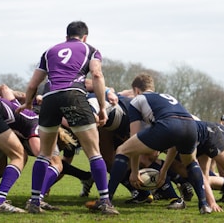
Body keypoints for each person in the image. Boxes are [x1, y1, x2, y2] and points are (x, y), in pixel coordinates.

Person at [17, 21, 119, 215]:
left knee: (44, 154)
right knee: (93, 152)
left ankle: (35, 201)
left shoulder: (49, 52)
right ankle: (105, 201)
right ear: (85, 37)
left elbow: (32, 85)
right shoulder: (91, 49)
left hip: (49, 98)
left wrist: (28, 104)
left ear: (66, 37)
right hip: (73, 95)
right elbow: (96, 75)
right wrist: (103, 107)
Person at [89, 73, 211, 214]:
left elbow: (133, 139)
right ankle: (203, 204)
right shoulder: (168, 97)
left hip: (168, 124)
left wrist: (134, 172)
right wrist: (163, 171)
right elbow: (173, 147)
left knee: (122, 150)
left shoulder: (137, 100)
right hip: (191, 126)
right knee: (190, 163)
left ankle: (107, 201)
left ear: (136, 90)